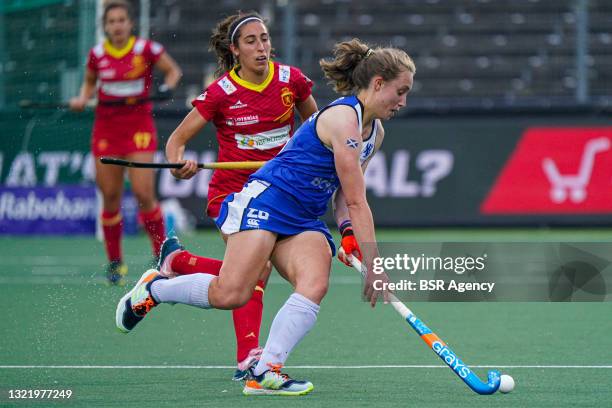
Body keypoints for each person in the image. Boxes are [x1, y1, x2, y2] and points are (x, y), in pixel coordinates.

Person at [116, 38, 415, 396]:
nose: (403, 102)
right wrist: (376, 264)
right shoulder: (342, 119)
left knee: (314, 283)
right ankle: (156, 289)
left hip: (303, 218)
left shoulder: (374, 133)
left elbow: (341, 195)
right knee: (232, 293)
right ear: (378, 83)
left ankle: (266, 370)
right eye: (401, 91)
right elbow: (356, 199)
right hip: (267, 202)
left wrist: (349, 233)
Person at [152, 11, 318, 381]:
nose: (261, 48)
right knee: (256, 268)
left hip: (280, 194)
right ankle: (248, 359)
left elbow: (315, 127)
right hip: (233, 194)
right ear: (235, 50)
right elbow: (176, 141)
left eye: (265, 39)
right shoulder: (220, 93)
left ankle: (179, 262)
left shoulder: (292, 81)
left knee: (243, 275)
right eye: (251, 42)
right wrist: (180, 164)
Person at [69, 0, 181, 285]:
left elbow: (173, 72)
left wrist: (165, 88)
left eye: (121, 20)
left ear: (130, 24)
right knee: (110, 196)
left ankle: (161, 256)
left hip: (139, 130)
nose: (117, 26)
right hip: (106, 131)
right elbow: (89, 84)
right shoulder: (96, 55)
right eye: (111, 22)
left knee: (144, 194)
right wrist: (82, 98)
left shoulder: (146, 50)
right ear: (105, 27)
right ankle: (115, 262)